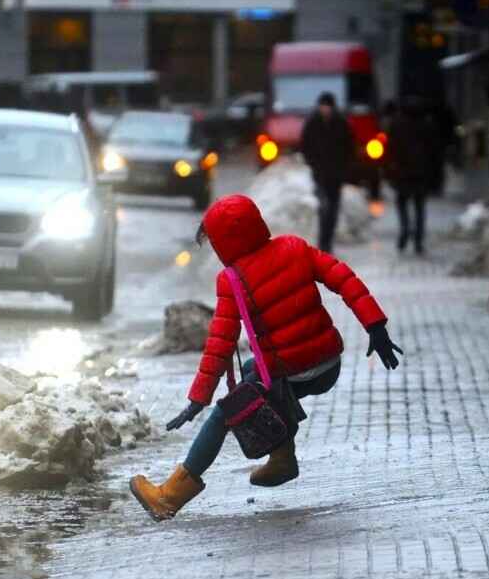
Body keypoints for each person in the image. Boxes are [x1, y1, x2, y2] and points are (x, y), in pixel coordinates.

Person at [129, 194, 403, 521]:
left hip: (289, 372)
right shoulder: (294, 247)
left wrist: (198, 399)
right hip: (328, 364)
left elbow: (220, 343)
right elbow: (344, 279)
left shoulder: (232, 279)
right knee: (252, 371)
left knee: (226, 410)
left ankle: (169, 496)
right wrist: (376, 327)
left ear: (224, 242)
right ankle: (282, 459)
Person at [299, 92, 355, 253]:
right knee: (324, 207)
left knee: (333, 208)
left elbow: (349, 146)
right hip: (319, 173)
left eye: (327, 106)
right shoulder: (313, 122)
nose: (325, 109)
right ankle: (323, 242)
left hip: (336, 174)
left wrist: (344, 166)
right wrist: (312, 163)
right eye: (323, 106)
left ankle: (327, 241)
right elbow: (305, 145)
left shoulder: (341, 123)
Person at [385, 96, 435, 255]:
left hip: (402, 173)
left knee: (402, 205)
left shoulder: (396, 124)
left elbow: (390, 148)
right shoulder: (426, 124)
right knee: (419, 207)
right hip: (420, 172)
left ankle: (404, 232)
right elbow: (433, 150)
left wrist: (390, 170)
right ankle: (418, 240)